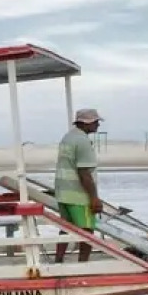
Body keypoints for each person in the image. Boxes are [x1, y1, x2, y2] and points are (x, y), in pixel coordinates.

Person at [54, 108, 103, 264]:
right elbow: (84, 173)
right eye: (96, 122)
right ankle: (83, 265)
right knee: (87, 229)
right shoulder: (82, 141)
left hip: (63, 193)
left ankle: (58, 260)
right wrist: (94, 198)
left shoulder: (67, 137)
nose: (98, 125)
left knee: (65, 228)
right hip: (78, 195)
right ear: (87, 123)